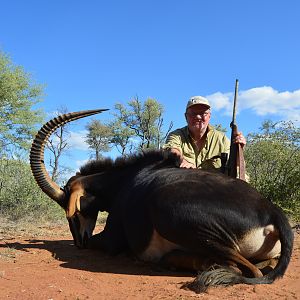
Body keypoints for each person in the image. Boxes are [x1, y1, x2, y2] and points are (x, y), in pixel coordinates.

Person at [163, 95, 246, 171]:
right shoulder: (176, 135)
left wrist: (239, 149)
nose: (198, 117)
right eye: (193, 113)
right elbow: (172, 151)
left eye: (203, 113)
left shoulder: (221, 139)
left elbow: (236, 165)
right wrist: (182, 161)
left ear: (209, 116)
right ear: (186, 116)